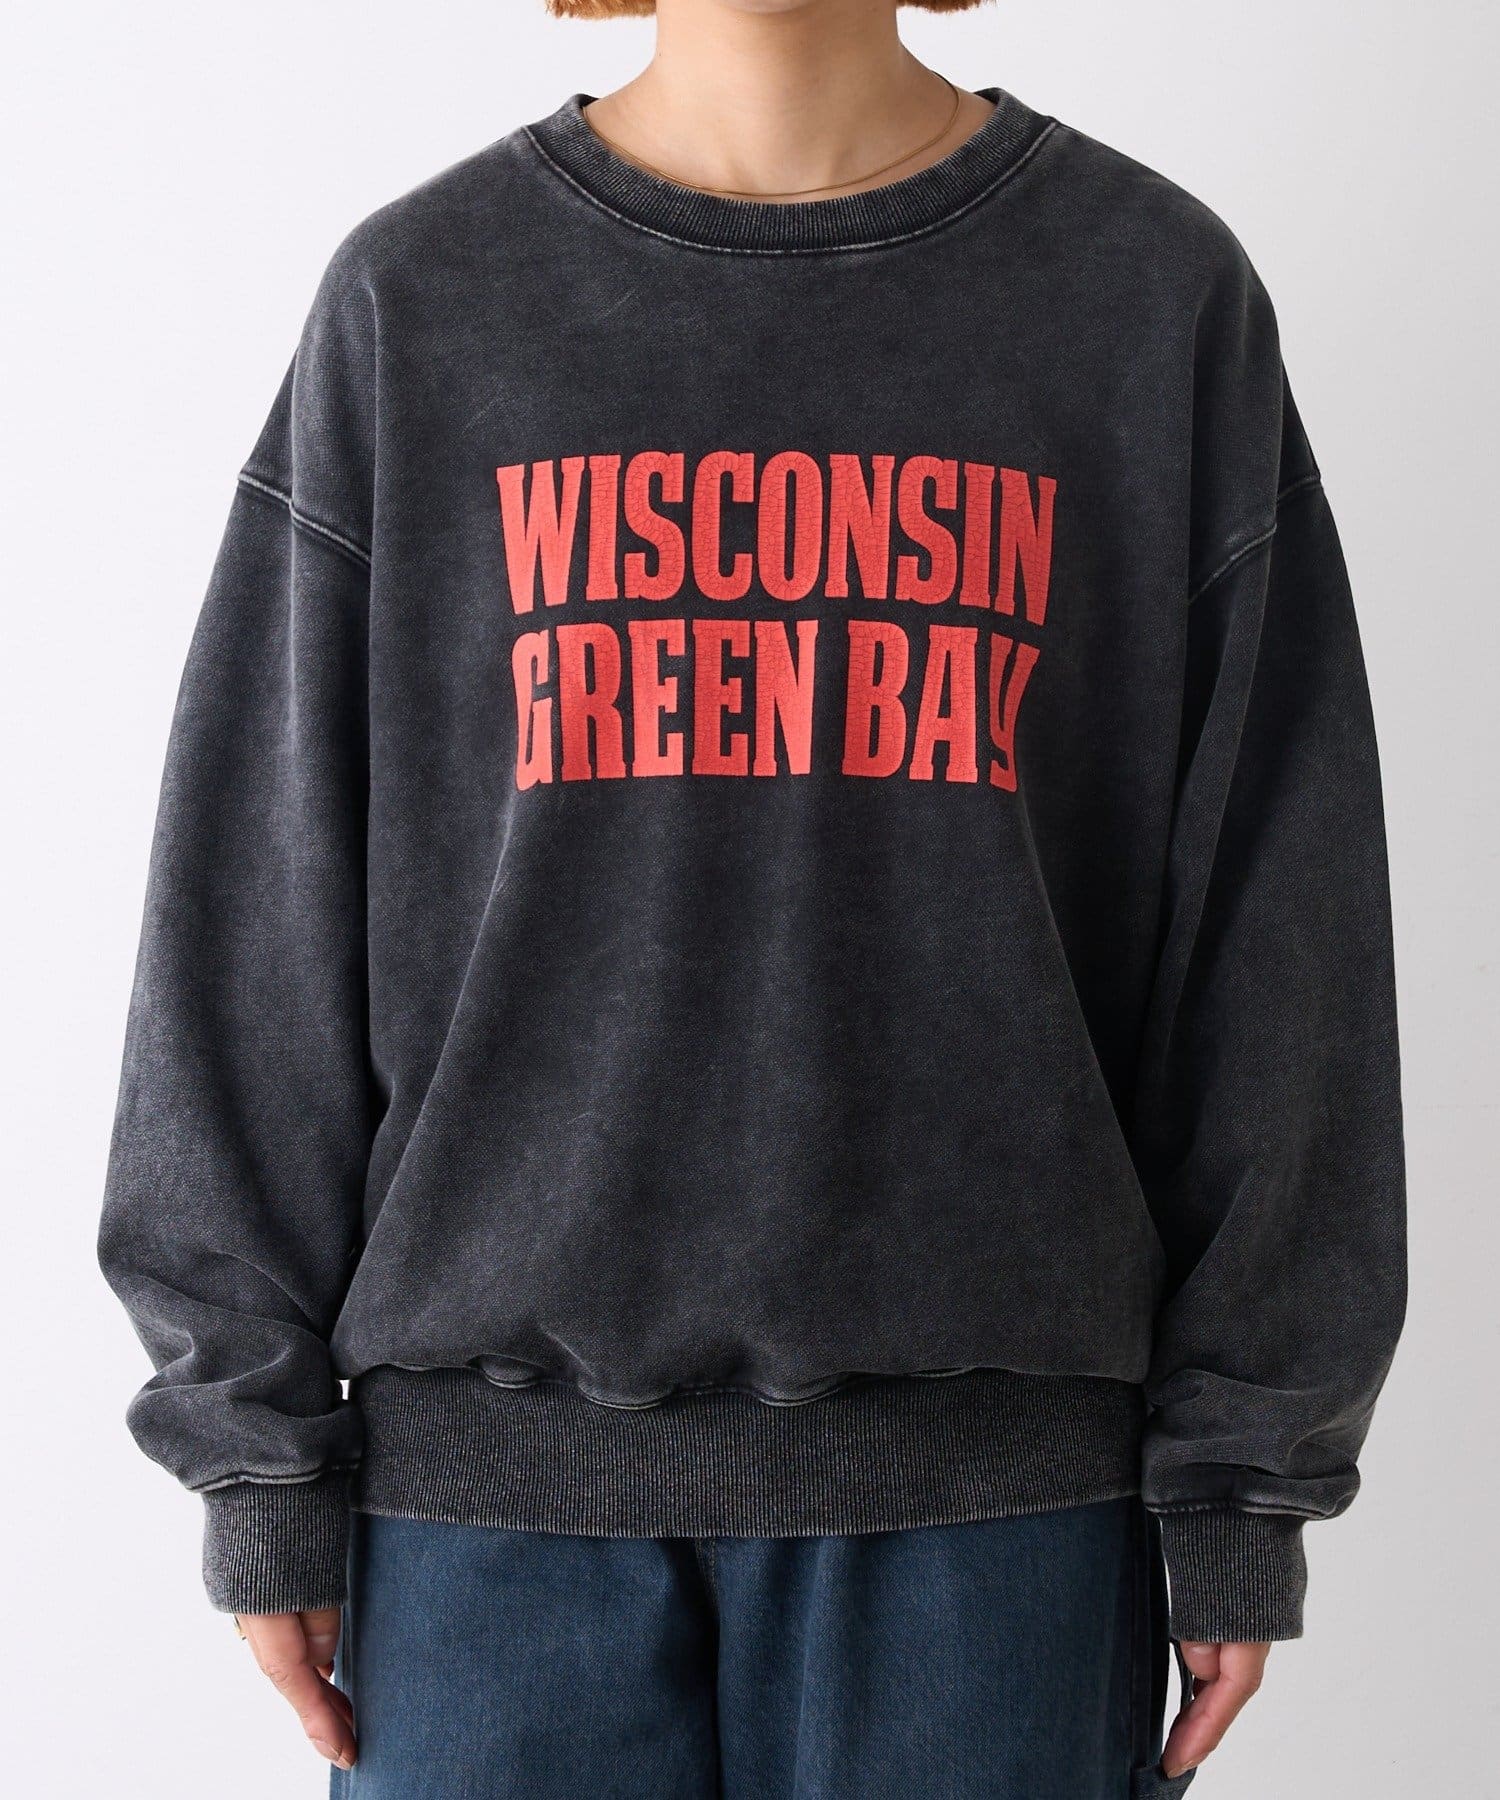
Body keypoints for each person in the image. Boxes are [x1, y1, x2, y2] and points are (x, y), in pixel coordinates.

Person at [98, 1, 1407, 1793]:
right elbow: (255, 906)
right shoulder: (426, 298)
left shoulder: (1147, 293)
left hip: (992, 1520)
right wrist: (254, 1453)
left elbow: (1279, 926)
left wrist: (1248, 1477)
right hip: (489, 1528)